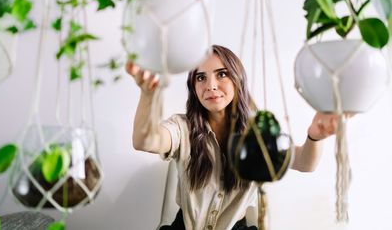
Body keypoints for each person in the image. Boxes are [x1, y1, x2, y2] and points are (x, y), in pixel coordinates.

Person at [126, 45, 339, 230]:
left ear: (237, 79)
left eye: (221, 74)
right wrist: (147, 94)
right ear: (193, 87)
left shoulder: (257, 131)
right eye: (201, 77)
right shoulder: (182, 127)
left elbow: (305, 163)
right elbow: (145, 141)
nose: (211, 85)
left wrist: (315, 136)